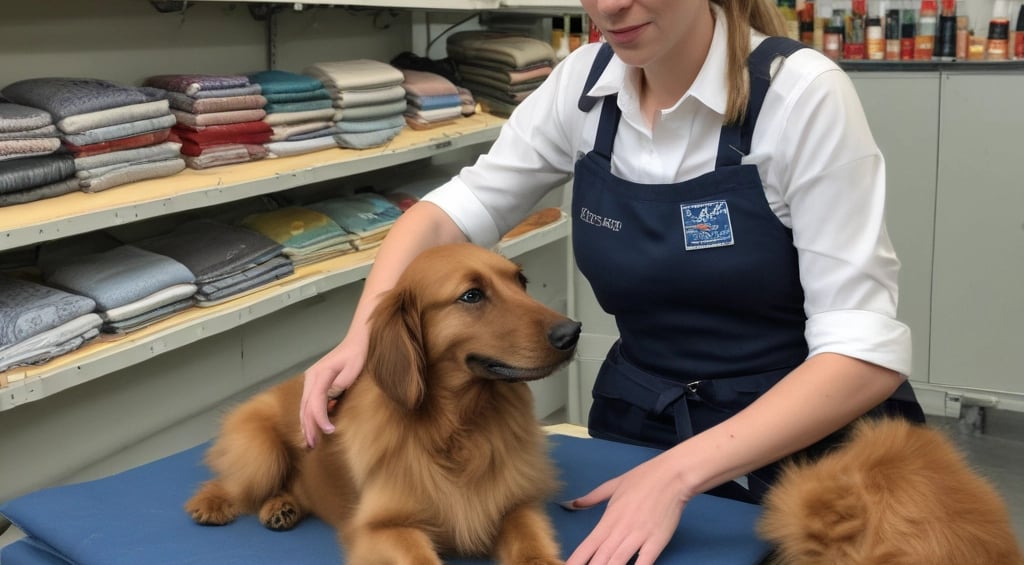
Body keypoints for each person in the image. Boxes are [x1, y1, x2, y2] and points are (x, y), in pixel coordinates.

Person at [300, 0, 926, 563]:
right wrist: (364, 333)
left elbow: (861, 355)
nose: (609, 6)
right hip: (641, 424)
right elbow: (451, 212)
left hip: (806, 445)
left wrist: (674, 477)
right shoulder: (585, 82)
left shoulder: (801, 96)